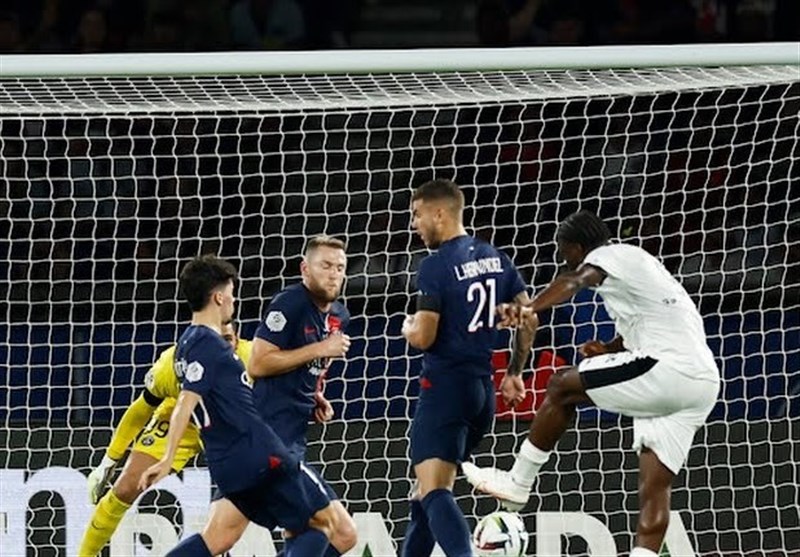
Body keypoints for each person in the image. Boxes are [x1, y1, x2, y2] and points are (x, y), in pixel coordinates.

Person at [463, 210, 720, 557]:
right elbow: (652, 323)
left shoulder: (606, 256)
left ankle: (518, 482)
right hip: (702, 383)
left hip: (669, 369)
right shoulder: (641, 266)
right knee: (655, 490)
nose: (563, 259)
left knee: (561, 386)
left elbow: (575, 280)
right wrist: (609, 348)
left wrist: (530, 308)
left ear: (578, 247)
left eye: (564, 251)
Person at [139, 254, 338, 557]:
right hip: (258, 454)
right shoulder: (207, 344)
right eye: (231, 293)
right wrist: (167, 459)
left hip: (227, 463)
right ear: (219, 297)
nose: (233, 300)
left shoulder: (185, 346)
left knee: (218, 539)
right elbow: (186, 402)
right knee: (323, 526)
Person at [189, 235, 358, 557]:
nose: (334, 274)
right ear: (305, 269)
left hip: (282, 437)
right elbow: (259, 363)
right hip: (271, 438)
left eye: (340, 268)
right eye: (325, 265)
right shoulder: (290, 303)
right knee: (340, 532)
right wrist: (321, 348)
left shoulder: (339, 315)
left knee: (220, 538)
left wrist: (314, 395)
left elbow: (303, 366)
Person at [400, 179, 535, 557]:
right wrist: (514, 372)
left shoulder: (435, 266)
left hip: (444, 389)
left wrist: (408, 328)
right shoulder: (497, 258)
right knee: (424, 491)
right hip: (481, 394)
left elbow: (425, 336)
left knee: (434, 491)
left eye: (417, 214)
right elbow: (530, 318)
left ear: (439, 213)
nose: (414, 224)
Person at [78, 321, 251, 557]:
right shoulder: (172, 365)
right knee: (126, 487)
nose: (220, 349)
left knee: (231, 516)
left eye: (227, 340)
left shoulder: (253, 360)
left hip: (232, 425)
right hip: (182, 420)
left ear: (238, 340)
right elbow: (141, 410)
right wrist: (108, 462)